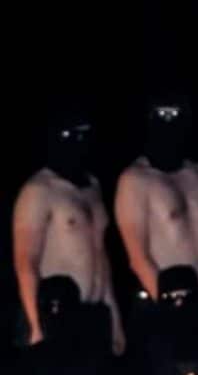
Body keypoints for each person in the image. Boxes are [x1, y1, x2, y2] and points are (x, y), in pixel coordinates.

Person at [12, 104, 125, 354]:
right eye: (71, 136)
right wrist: (35, 326)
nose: (79, 143)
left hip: (94, 312)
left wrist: (115, 320)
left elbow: (100, 256)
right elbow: (25, 262)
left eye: (83, 136)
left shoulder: (93, 186)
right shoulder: (39, 191)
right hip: (55, 314)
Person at [116, 91, 198, 325]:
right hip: (159, 307)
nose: (169, 122)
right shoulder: (135, 180)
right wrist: (172, 307)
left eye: (176, 115)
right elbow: (137, 256)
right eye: (163, 115)